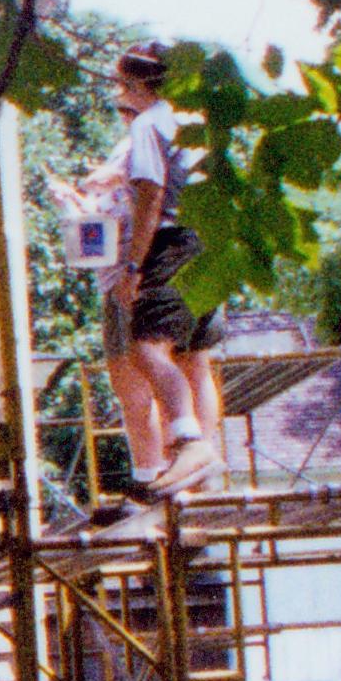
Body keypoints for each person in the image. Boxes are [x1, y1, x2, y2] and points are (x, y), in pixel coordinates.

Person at [67, 40, 224, 516]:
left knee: (147, 348)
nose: (119, 96)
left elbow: (150, 195)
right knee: (196, 353)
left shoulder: (146, 126)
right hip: (206, 240)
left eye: (120, 85)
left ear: (135, 85)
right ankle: (202, 461)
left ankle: (189, 442)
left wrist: (135, 265)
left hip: (171, 243)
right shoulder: (190, 122)